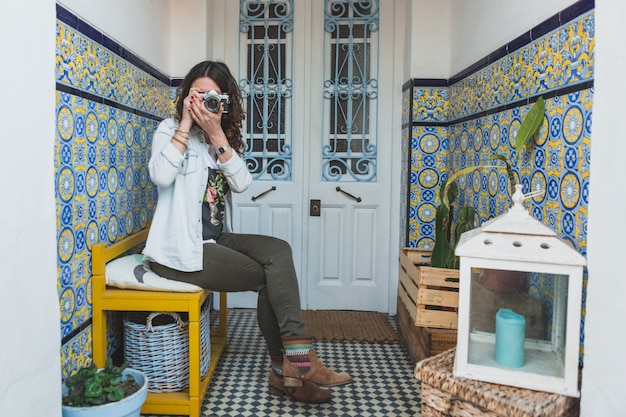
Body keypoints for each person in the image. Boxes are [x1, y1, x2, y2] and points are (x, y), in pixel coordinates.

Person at [142, 60, 352, 403]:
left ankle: (292, 366)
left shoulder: (219, 139)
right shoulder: (169, 130)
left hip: (215, 239)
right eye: (197, 94)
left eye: (212, 96)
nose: (203, 102)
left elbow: (241, 183)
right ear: (185, 96)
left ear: (223, 102)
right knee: (270, 277)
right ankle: (293, 367)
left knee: (278, 250)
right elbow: (161, 177)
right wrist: (185, 123)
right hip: (179, 250)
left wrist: (216, 134)